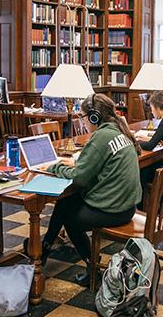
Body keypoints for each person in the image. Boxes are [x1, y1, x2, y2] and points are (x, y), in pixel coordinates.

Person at [41, 94, 142, 277]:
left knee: (67, 215)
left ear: (94, 117)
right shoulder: (120, 130)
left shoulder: (102, 136)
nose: (83, 121)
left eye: (83, 116)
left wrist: (56, 167)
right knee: (66, 202)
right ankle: (43, 250)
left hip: (113, 209)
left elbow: (80, 178)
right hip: (127, 206)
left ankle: (90, 265)